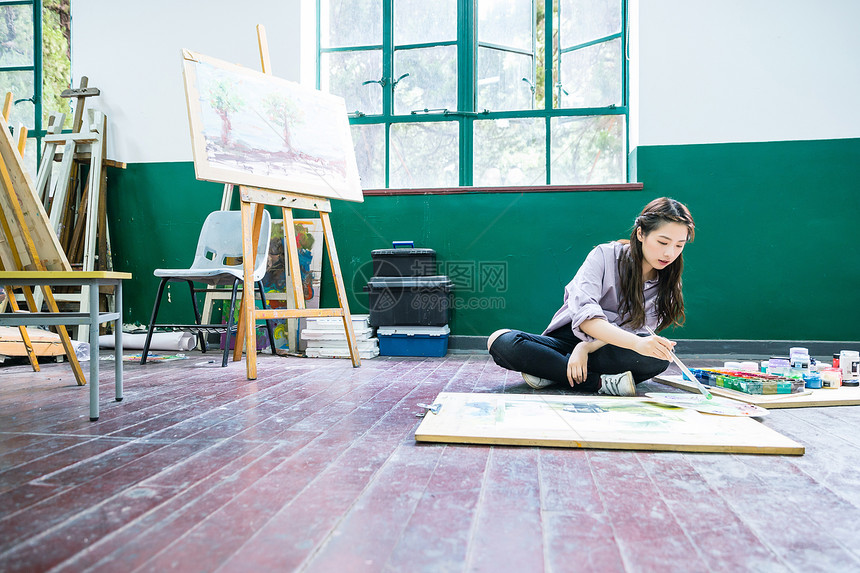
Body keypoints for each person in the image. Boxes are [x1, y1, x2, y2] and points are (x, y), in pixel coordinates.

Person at [487, 197, 695, 396]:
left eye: (679, 245)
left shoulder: (669, 280)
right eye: (663, 242)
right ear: (641, 234)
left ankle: (551, 371)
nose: (669, 253)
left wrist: (586, 348)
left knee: (660, 358)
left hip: (610, 348)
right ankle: (600, 382)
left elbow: (635, 333)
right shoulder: (604, 255)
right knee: (501, 341)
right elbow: (586, 317)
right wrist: (580, 345)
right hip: (567, 339)